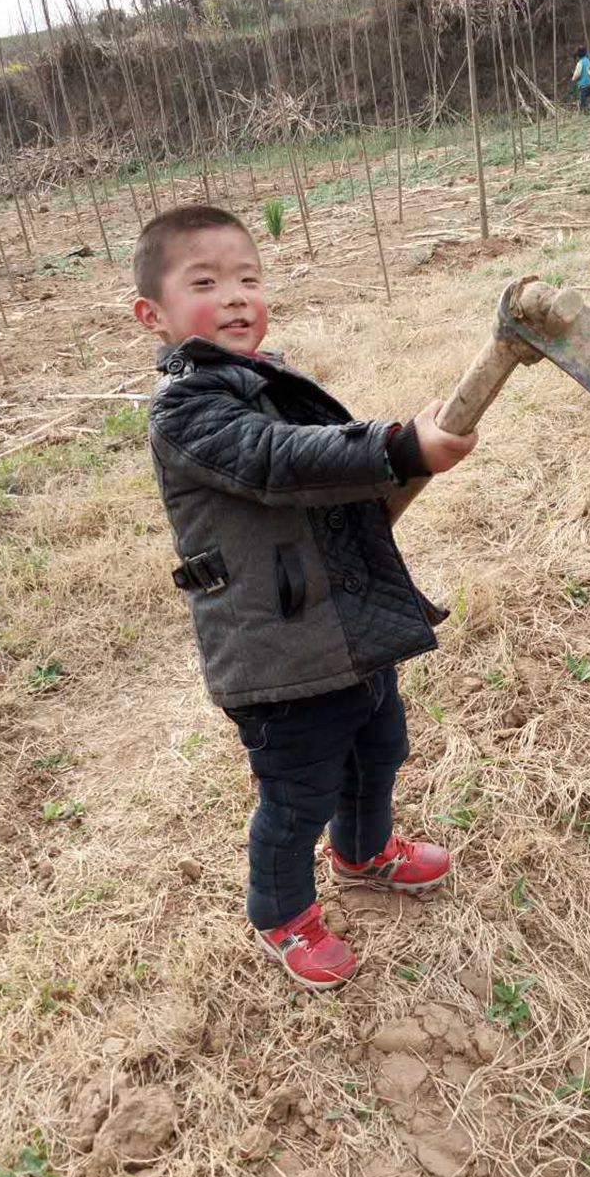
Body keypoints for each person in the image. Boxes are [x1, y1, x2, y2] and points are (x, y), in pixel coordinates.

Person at [133, 205, 478, 991]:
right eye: (207, 281)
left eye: (249, 278)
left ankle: (363, 852)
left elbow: (319, 459)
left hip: (345, 629)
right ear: (152, 315)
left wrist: (395, 447)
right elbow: (278, 460)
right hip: (278, 653)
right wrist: (394, 446)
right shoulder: (188, 411)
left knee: (378, 747)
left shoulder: (264, 380)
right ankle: (280, 913)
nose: (236, 296)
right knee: (297, 796)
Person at [572, 45, 590, 113]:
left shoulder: (580, 63)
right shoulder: (588, 61)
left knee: (583, 101)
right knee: (589, 99)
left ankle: (584, 112)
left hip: (583, 85)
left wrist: (573, 78)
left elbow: (577, 74)